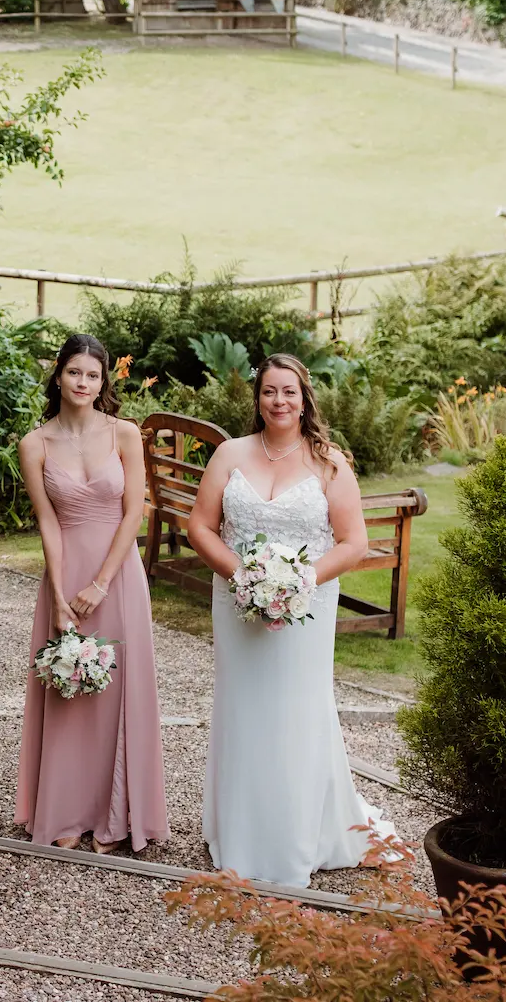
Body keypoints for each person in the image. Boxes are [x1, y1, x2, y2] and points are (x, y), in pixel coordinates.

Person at [185, 352, 396, 886]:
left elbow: (354, 543)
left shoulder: (328, 464)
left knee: (296, 713)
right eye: (268, 392)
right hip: (238, 607)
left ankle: (296, 837)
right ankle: (240, 832)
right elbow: (201, 528)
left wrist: (298, 582)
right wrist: (244, 578)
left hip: (308, 608)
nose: (279, 401)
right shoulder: (230, 455)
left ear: (305, 400)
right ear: (257, 400)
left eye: (289, 392)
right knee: (244, 708)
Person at [15, 334, 169, 853]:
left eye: (94, 375)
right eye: (75, 372)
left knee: (118, 693)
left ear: (104, 383)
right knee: (68, 693)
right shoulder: (34, 444)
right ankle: (64, 812)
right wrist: (59, 595)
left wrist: (103, 581)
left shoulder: (125, 434)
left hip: (118, 576)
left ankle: (117, 816)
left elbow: (134, 512)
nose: (83, 383)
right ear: (58, 375)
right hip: (65, 575)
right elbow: (47, 522)